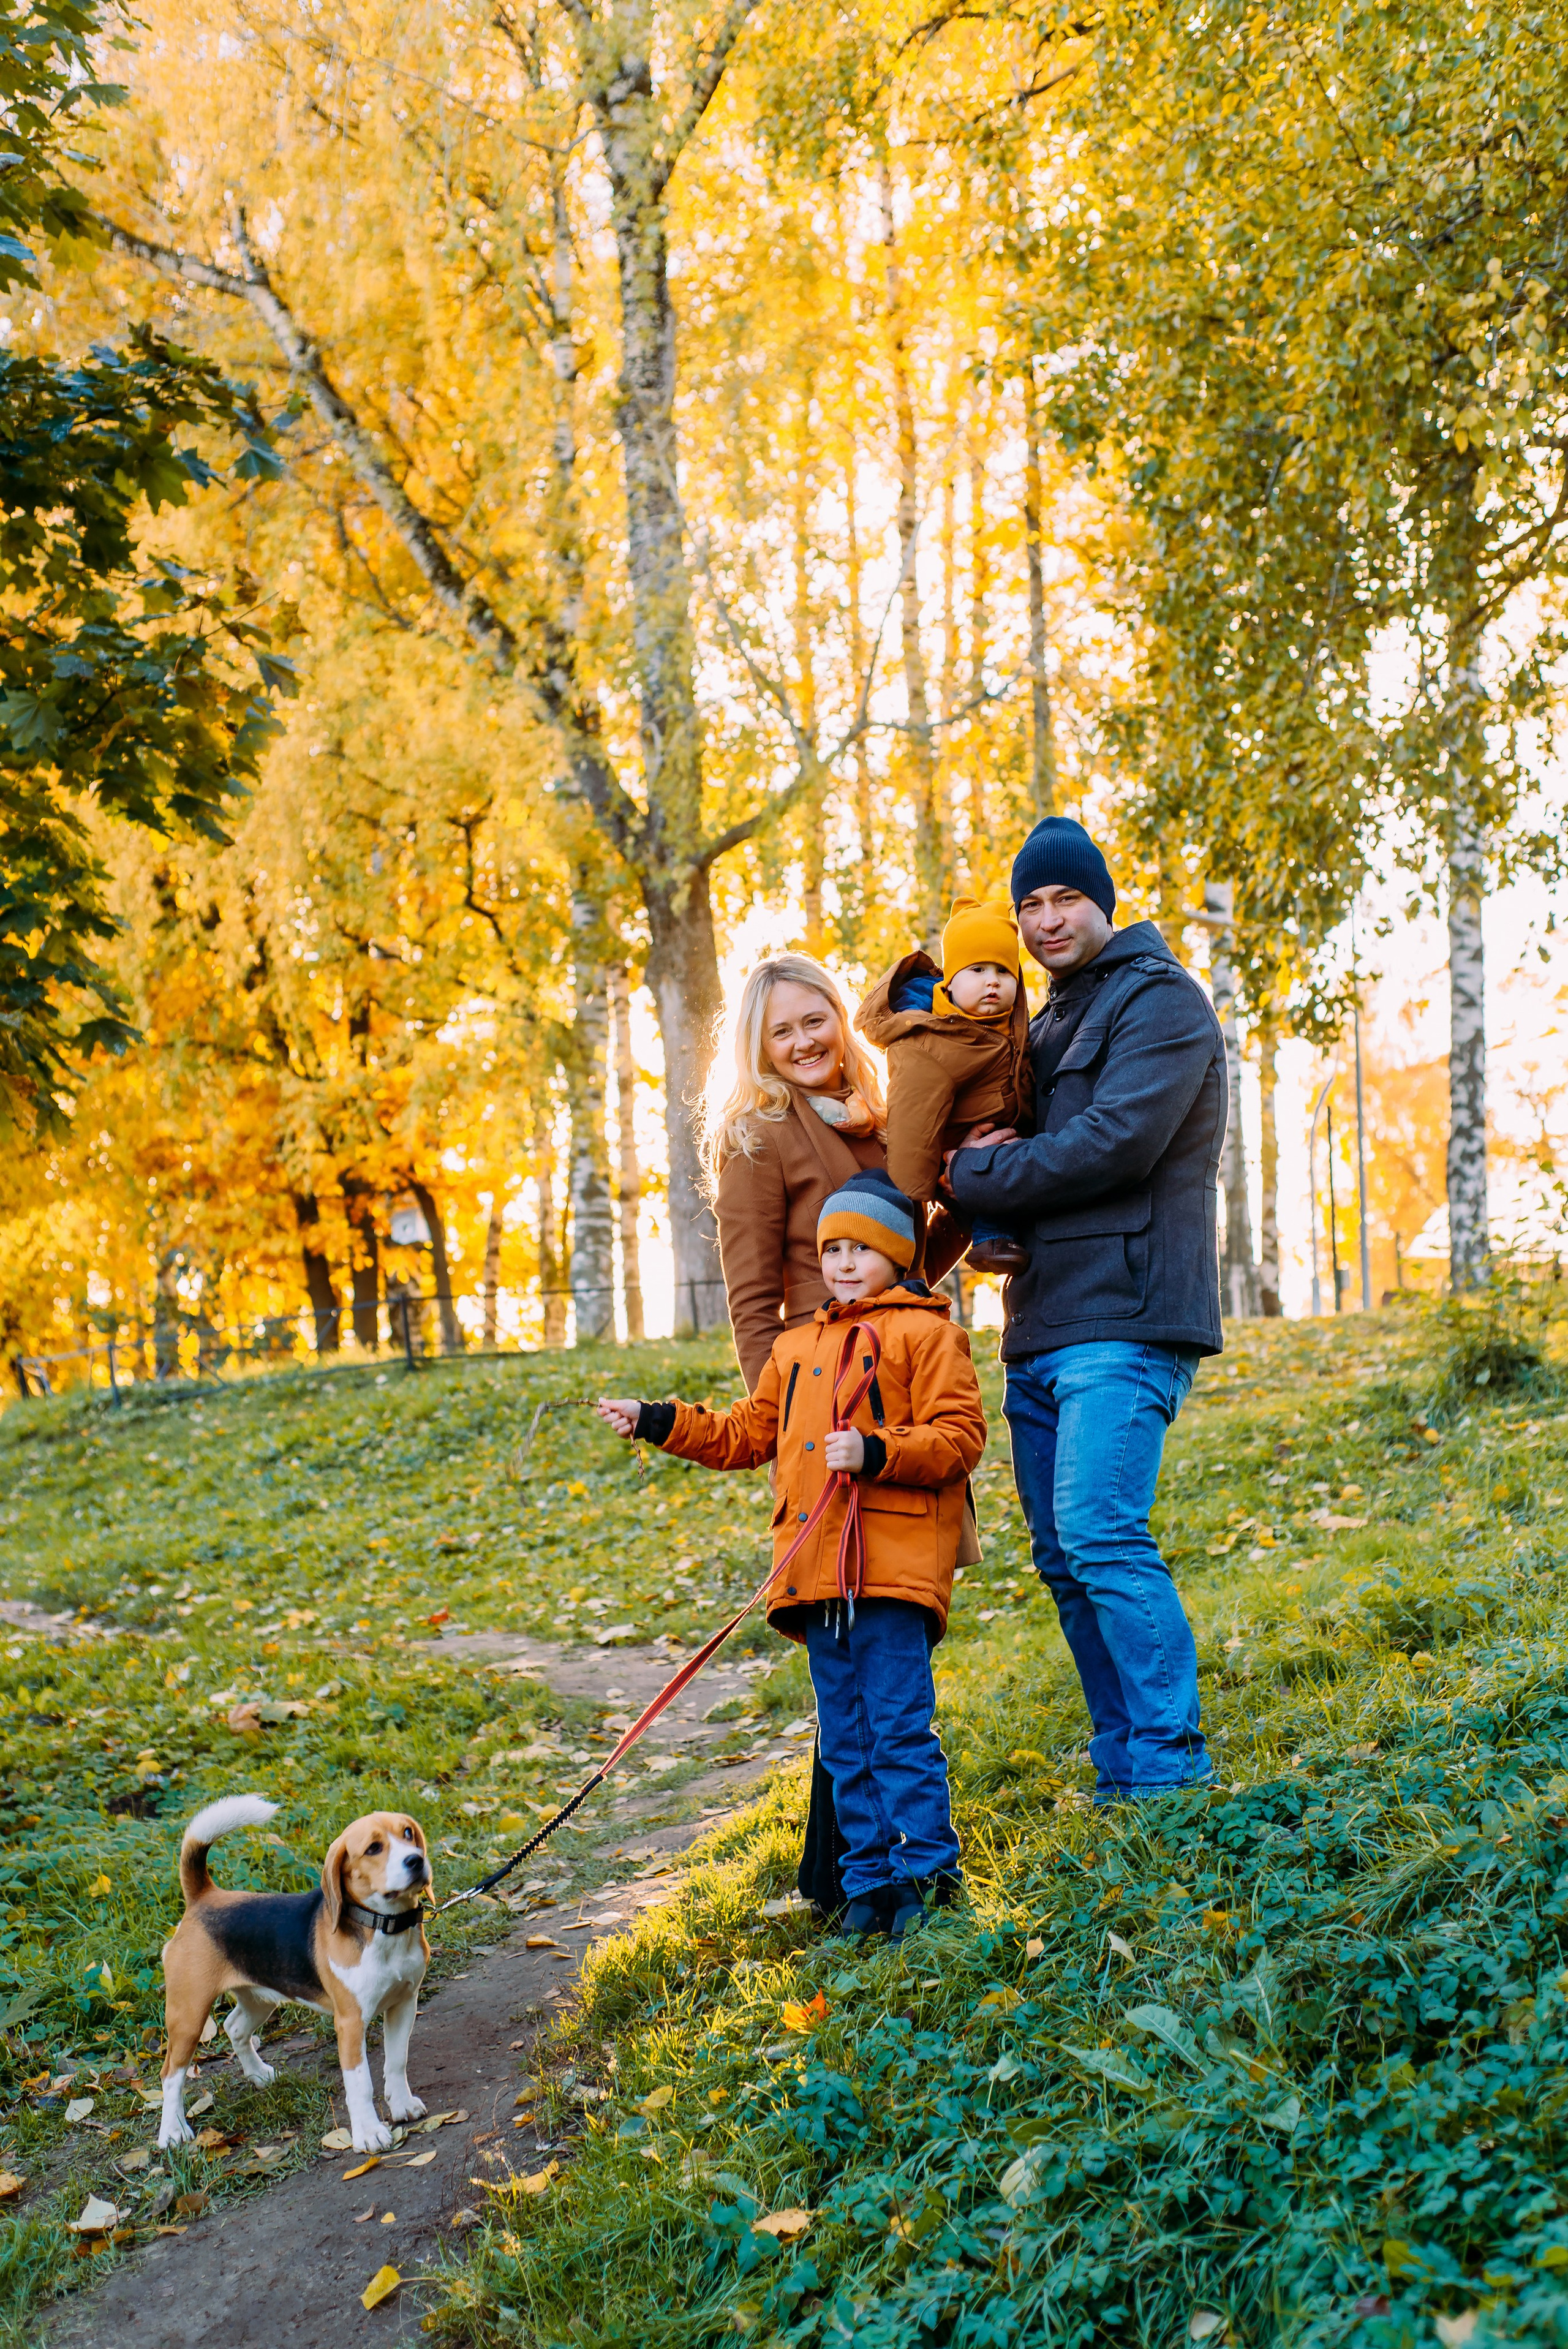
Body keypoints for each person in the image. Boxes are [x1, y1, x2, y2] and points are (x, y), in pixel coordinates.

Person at [598, 1169, 984, 1939]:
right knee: (844, 1736)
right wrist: (656, 1419)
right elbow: (746, 1431)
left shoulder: (928, 1332)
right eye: (831, 1247)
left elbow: (960, 1438)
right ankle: (868, 1882)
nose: (841, 1261)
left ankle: (928, 1875)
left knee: (898, 1728)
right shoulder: (797, 1345)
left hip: (890, 1569)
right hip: (815, 1578)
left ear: (899, 1255)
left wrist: (876, 1451)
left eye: (861, 1248)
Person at [946, 815, 1226, 1803]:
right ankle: (1123, 1759)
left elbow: (1118, 1143)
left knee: (1103, 1532)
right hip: (1043, 1323)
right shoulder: (1047, 1018)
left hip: (1129, 1313)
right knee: (1065, 1558)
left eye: (1066, 898)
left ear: (1104, 900)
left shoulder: (1162, 1004)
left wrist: (979, 1172)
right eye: (1029, 904)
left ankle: (1169, 1768)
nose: (1047, 919)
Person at [701, 952, 964, 1914]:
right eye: (784, 1030)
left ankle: (886, 1866)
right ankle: (855, 1873)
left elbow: (913, 1252)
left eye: (817, 1019)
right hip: (828, 1408)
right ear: (759, 1046)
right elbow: (751, 1298)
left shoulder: (883, 1116)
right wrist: (791, 1430)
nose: (807, 1040)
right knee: (852, 1641)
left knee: (887, 1637)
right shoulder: (759, 1136)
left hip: (902, 1391)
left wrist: (965, 1202)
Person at [856, 895, 1033, 1274]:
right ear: (949, 983)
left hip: (1004, 1140)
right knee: (988, 1176)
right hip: (953, 1153)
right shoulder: (931, 1040)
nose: (992, 981)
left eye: (1004, 972)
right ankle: (991, 1237)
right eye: (977, 970)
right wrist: (910, 1202)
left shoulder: (1011, 1026)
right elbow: (913, 1125)